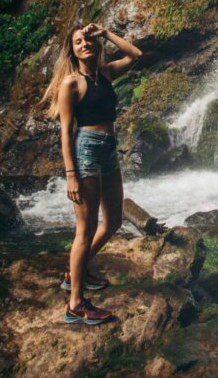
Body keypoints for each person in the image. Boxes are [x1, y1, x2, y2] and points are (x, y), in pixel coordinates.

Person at [41, 22, 142, 325]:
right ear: (71, 51)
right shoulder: (71, 84)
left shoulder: (106, 74)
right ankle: (75, 303)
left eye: (88, 40)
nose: (85, 44)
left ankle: (76, 272)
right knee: (85, 230)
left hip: (109, 148)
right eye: (78, 42)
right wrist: (71, 174)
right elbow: (65, 133)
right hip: (86, 150)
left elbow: (135, 54)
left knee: (113, 221)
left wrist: (106, 33)